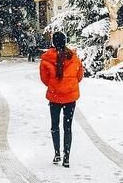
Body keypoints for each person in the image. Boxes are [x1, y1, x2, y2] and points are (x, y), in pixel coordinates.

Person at [39, 31, 84, 168]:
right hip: (70, 97)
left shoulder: (46, 59)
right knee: (67, 127)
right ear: (65, 41)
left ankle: (57, 153)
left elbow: (44, 78)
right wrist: (69, 85)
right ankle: (67, 157)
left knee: (55, 126)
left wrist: (55, 86)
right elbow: (79, 75)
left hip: (54, 96)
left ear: (53, 42)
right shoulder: (74, 58)